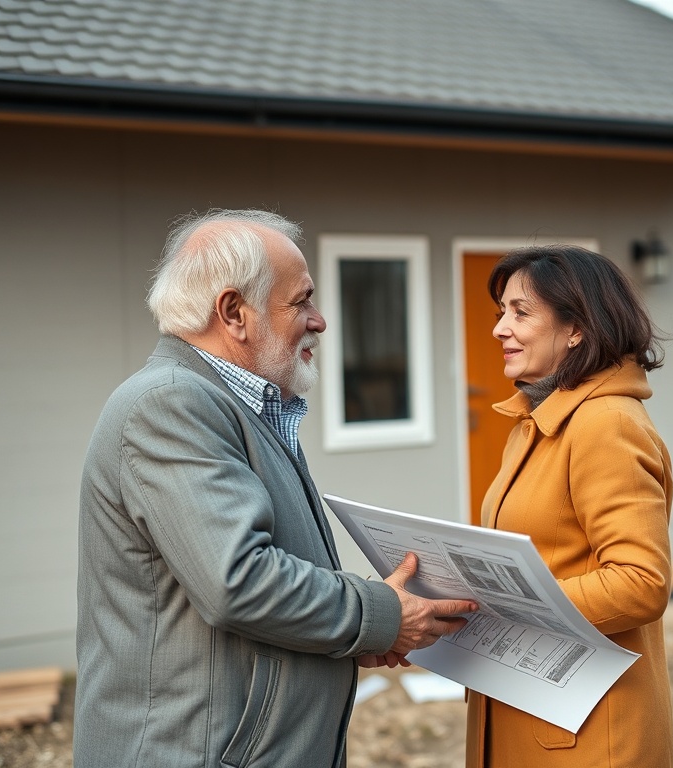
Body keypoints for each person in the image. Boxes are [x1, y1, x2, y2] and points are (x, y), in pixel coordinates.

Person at [74, 209, 476, 768]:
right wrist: (381, 615)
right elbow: (238, 580)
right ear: (235, 313)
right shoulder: (170, 405)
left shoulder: (240, 407)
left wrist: (356, 633)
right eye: (302, 300)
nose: (320, 320)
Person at [465, 244, 673, 768]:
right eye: (500, 313)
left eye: (520, 312)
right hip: (526, 702)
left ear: (576, 327)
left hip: (583, 730)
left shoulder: (605, 424)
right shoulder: (535, 419)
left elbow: (641, 582)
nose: (499, 329)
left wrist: (501, 604)